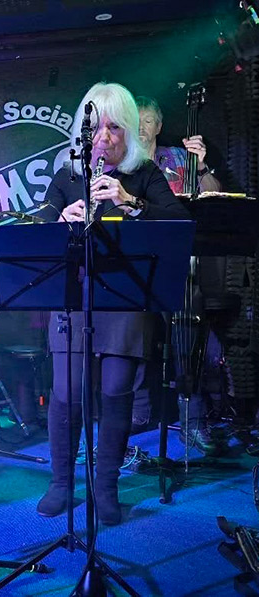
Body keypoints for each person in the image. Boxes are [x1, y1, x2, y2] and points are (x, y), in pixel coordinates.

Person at [35, 82, 189, 526]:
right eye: (97, 128)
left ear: (130, 131)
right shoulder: (68, 175)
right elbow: (38, 221)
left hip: (125, 300)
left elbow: (179, 223)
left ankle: (106, 486)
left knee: (116, 390)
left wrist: (130, 201)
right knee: (67, 391)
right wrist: (59, 219)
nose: (105, 137)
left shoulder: (144, 174)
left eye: (115, 128)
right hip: (73, 297)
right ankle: (61, 482)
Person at [136, 95, 224, 455]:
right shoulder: (119, 162)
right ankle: (135, 417)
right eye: (135, 120)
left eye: (147, 120)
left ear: (158, 126)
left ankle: (193, 419)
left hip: (178, 264)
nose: (141, 127)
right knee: (128, 339)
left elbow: (214, 197)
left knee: (188, 337)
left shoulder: (177, 158)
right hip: (136, 264)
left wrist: (201, 167)